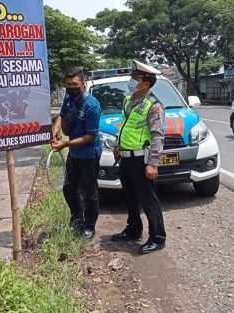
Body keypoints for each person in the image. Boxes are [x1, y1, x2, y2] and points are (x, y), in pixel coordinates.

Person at [111, 60, 167, 254]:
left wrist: (153, 163)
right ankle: (133, 229)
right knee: (129, 197)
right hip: (126, 158)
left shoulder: (153, 106)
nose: (131, 81)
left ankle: (157, 237)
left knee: (148, 200)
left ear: (146, 82)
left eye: (136, 78)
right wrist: (118, 146)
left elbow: (157, 136)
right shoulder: (129, 99)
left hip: (141, 160)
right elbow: (124, 125)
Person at [52, 69, 102, 240]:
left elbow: (90, 136)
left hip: (89, 154)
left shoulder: (92, 105)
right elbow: (62, 115)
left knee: (89, 192)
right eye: (68, 85)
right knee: (69, 189)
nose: (71, 88)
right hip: (74, 154)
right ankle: (77, 219)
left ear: (83, 84)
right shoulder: (68, 98)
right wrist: (56, 128)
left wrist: (65, 143)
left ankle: (89, 226)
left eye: (75, 85)